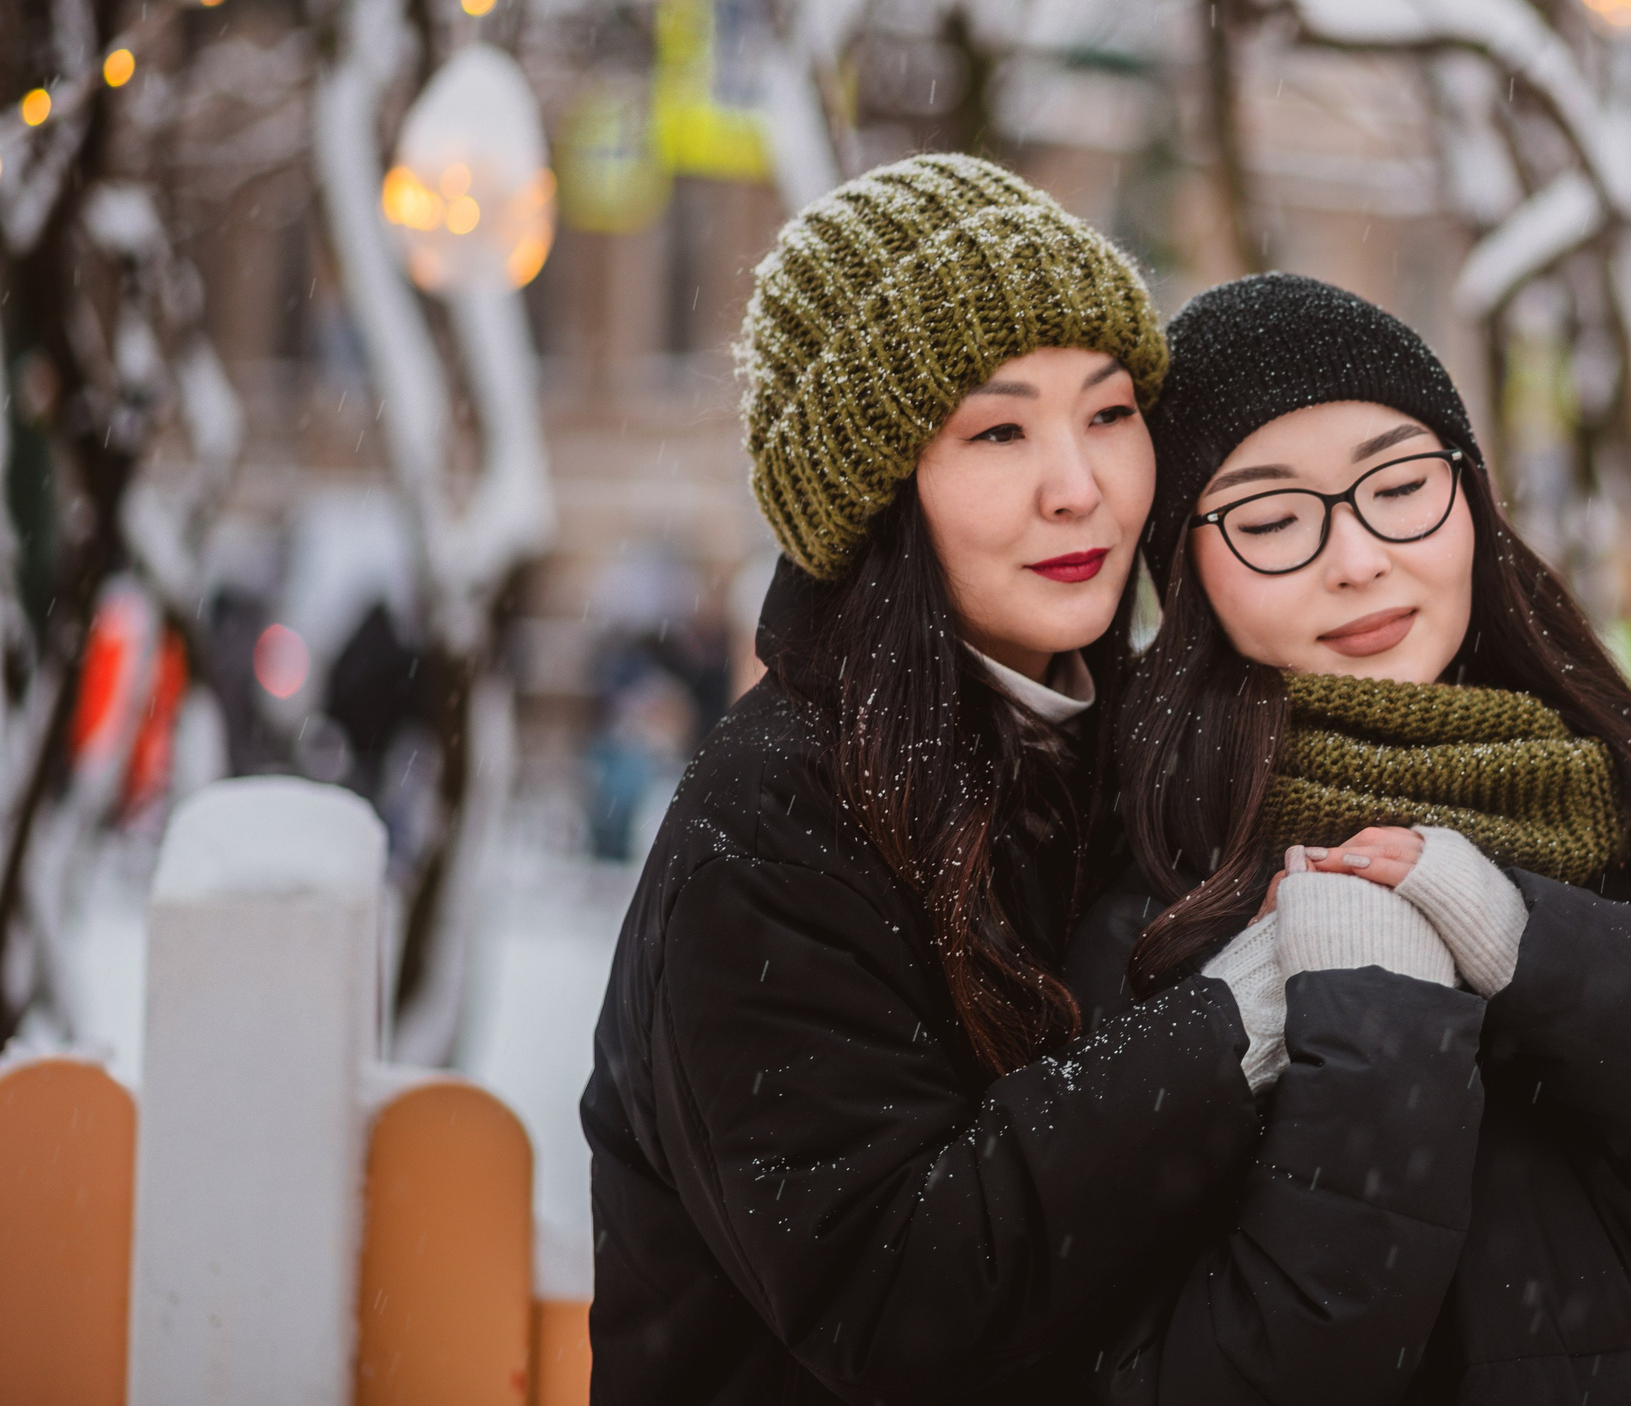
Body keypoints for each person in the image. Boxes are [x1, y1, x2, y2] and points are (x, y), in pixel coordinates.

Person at [582, 159, 1482, 1404]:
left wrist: (1618, 828)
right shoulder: (771, 822)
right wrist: (1244, 1007)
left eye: (1109, 414)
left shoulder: (1116, 743)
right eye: (1000, 430)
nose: (1083, 483)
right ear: (879, 489)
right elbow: (895, 1292)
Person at [1086, 273, 1631, 1403]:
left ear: (1469, 502)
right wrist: (1364, 1015)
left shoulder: (1605, 813)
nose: (1356, 556)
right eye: (1270, 518)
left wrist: (1532, 942)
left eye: (1399, 486)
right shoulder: (1153, 877)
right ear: (1183, 568)